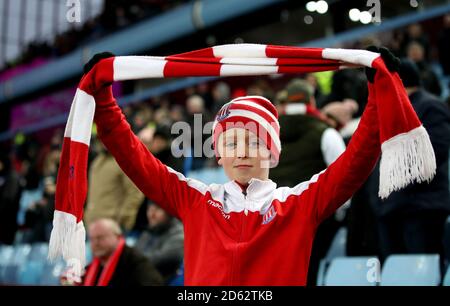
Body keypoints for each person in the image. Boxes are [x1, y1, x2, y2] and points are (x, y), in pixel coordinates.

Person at [83, 50, 394, 285]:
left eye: (255, 142)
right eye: (231, 144)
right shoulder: (195, 200)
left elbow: (356, 160)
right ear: (219, 155)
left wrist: (378, 96)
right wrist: (105, 103)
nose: (242, 152)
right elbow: (134, 159)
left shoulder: (299, 203)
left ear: (273, 153)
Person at [371, 59, 450, 262]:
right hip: (394, 210)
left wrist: (393, 181)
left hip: (421, 209)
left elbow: (435, 153)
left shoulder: (430, 106)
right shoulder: (395, 108)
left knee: (422, 274)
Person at [270, 79, 347, 285]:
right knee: (309, 270)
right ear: (311, 99)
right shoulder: (325, 131)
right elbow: (343, 175)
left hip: (276, 214)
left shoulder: (269, 135)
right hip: (314, 213)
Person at [79, 218, 163, 286]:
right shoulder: (92, 266)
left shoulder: (135, 261)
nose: (96, 243)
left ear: (118, 237)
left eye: (101, 238)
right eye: (92, 239)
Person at [84, 141, 144, 231]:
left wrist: (123, 220)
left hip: (113, 227)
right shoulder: (97, 161)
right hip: (92, 226)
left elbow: (135, 192)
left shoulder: (125, 160)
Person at [135, 201, 184, 283]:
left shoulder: (178, 235)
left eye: (157, 209)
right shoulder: (151, 229)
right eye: (149, 209)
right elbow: (136, 253)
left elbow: (158, 260)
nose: (151, 215)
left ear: (169, 213)